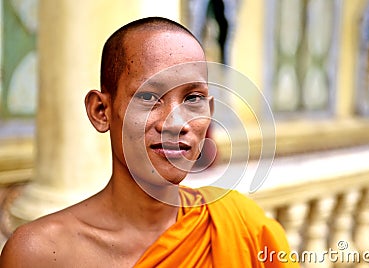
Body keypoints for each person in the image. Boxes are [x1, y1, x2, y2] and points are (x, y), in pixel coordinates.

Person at [0, 17, 298, 267]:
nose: (176, 123)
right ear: (101, 111)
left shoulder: (240, 226)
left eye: (192, 99)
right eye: (148, 97)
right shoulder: (40, 253)